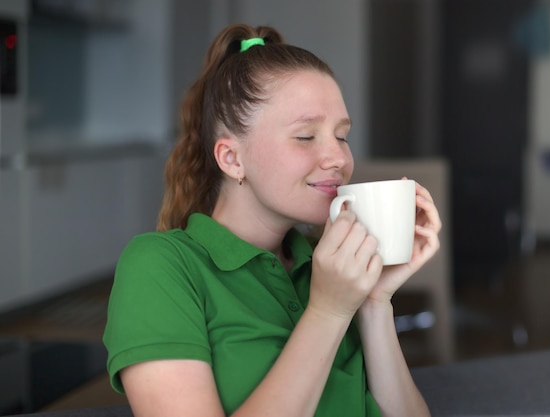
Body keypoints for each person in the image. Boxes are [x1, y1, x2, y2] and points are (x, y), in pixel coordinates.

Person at [103, 23, 441, 417]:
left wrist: (373, 301)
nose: (338, 159)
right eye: (305, 136)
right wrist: (328, 311)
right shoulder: (160, 267)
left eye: (342, 136)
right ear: (232, 159)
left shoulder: (329, 266)